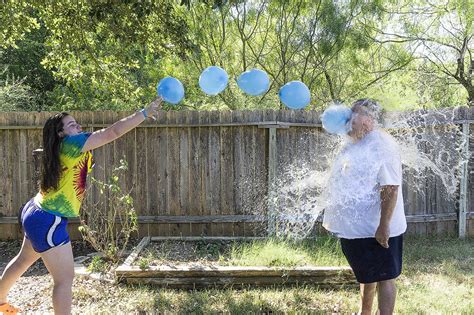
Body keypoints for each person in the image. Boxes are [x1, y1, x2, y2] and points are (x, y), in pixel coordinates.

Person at [0, 97, 162, 315]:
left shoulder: (63, 147)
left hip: (36, 210)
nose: (78, 126)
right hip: (49, 219)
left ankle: (0, 301)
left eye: (76, 123)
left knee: (22, 261)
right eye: (71, 124)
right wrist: (144, 113)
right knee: (64, 280)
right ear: (60, 133)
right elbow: (112, 132)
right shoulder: (71, 144)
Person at [322, 98, 407, 315]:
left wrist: (384, 226)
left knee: (385, 276)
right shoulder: (354, 145)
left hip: (377, 228)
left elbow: (391, 188)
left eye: (354, 115)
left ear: (368, 120)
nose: (348, 120)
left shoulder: (381, 146)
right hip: (358, 230)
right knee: (368, 275)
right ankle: (365, 312)